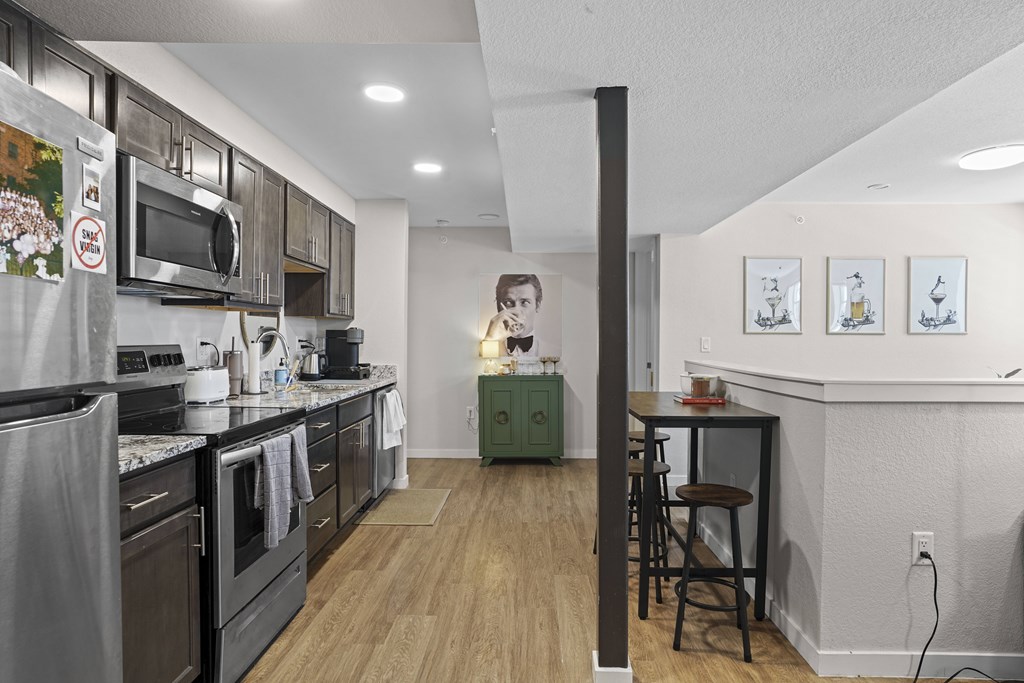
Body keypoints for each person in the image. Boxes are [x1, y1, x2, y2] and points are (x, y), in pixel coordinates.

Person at [484, 273, 543, 356]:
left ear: (537, 306)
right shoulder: (487, 348)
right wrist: (489, 338)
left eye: (524, 302)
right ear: (498, 307)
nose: (516, 311)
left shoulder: (553, 350)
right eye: (508, 303)